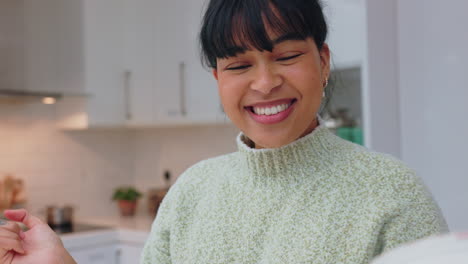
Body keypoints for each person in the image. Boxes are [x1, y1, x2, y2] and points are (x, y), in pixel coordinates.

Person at [0, 0, 448, 263]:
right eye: (238, 65)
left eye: (287, 56)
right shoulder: (193, 190)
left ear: (323, 61)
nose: (265, 82)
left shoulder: (393, 194)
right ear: (217, 78)